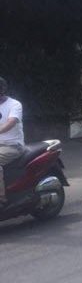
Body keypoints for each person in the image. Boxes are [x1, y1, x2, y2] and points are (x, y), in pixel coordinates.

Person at [0, 77, 25, 206]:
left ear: (2, 90)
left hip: (13, 145)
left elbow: (11, 122)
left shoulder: (14, 104)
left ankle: (1, 198)